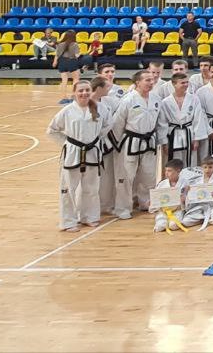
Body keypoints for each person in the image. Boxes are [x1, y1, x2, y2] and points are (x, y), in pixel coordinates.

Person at [48, 80, 109, 231]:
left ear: (91, 91)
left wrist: (96, 139)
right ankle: (68, 222)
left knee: (91, 187)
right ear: (74, 93)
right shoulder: (67, 110)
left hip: (92, 151)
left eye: (87, 90)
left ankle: (89, 217)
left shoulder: (100, 108)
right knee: (68, 188)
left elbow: (108, 125)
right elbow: (52, 130)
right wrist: (68, 144)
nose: (84, 93)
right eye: (80, 90)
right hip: (72, 153)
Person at [107, 71, 160, 220]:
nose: (151, 82)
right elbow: (117, 123)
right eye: (147, 80)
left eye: (152, 80)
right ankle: (122, 208)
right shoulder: (128, 99)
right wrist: (117, 145)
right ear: (138, 82)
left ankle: (145, 202)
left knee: (149, 174)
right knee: (126, 176)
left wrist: (160, 140)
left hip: (149, 141)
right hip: (130, 142)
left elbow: (158, 122)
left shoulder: (156, 99)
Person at [52, 30, 84, 101]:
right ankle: (73, 96)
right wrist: (80, 53)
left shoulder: (60, 44)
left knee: (64, 80)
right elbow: (77, 55)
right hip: (72, 61)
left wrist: (54, 62)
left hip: (62, 62)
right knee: (76, 79)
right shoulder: (75, 44)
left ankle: (64, 97)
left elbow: (57, 55)